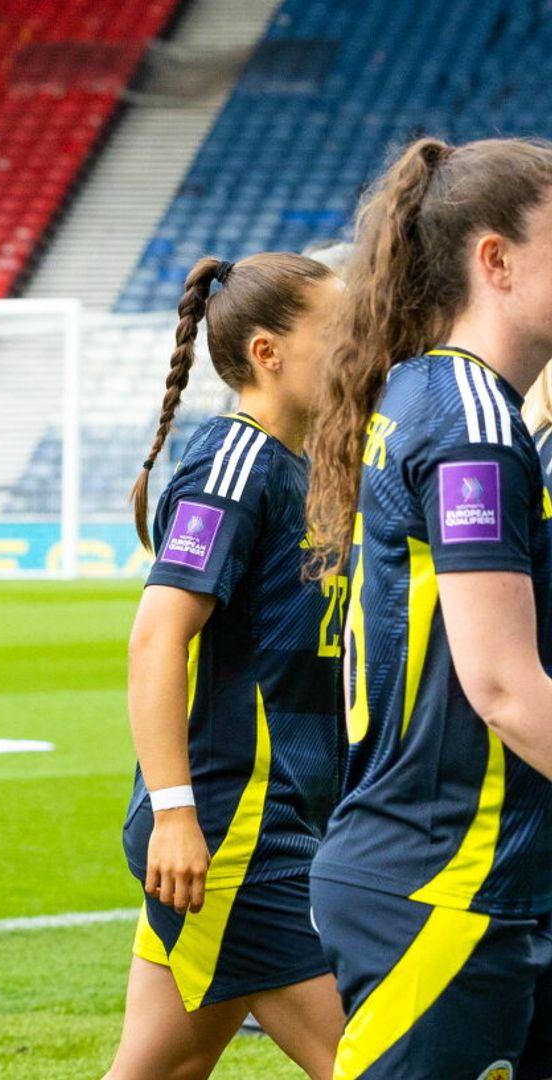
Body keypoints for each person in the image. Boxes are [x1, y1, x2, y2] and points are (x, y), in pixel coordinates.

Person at [303, 136, 552, 1079]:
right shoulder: (475, 424)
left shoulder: (423, 392)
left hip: (452, 871)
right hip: (442, 880)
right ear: (496, 260)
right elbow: (502, 688)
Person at [103, 253, 346, 1080]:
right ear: (268, 352)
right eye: (338, 331)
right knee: (372, 1061)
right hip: (233, 828)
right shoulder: (235, 462)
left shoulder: (301, 467)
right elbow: (156, 637)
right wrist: (175, 813)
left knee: (161, 1067)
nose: (358, 348)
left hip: (270, 820)